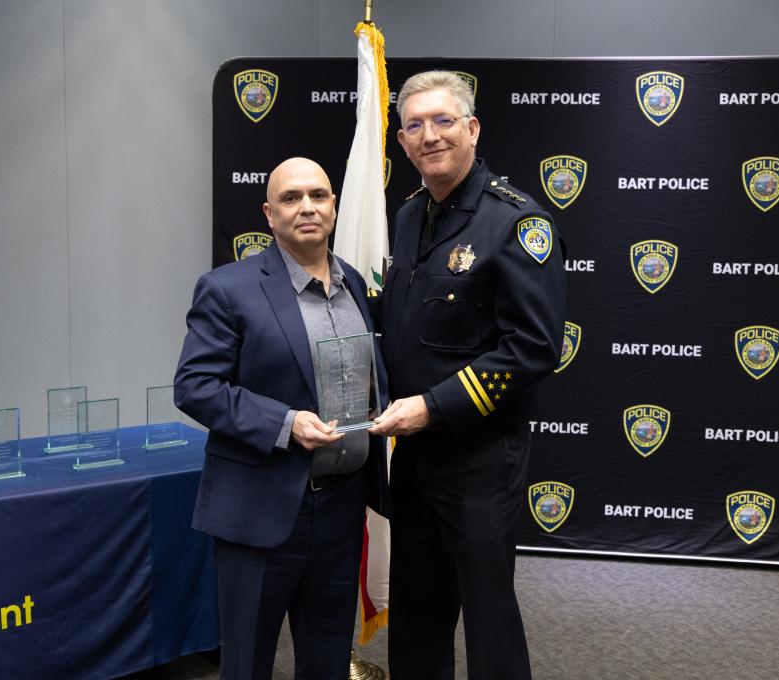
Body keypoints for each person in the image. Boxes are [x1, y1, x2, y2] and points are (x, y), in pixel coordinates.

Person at [369, 70, 566, 679]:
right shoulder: (407, 218)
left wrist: (431, 406)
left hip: (479, 458)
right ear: (402, 142)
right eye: (414, 125)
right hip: (415, 457)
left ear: (473, 129)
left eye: (443, 121)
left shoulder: (515, 223)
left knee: (487, 616)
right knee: (417, 612)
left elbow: (534, 347)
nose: (429, 136)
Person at [174, 157, 390, 680]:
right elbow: (195, 386)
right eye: (291, 198)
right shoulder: (228, 288)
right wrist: (285, 422)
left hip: (342, 509)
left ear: (334, 205)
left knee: (326, 660)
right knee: (246, 664)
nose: (307, 207)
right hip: (261, 511)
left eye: (318, 195)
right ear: (269, 214)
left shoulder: (356, 284)